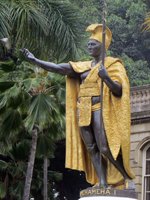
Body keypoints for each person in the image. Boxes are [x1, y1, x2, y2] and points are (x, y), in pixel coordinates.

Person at [22, 24, 134, 188]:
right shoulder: (83, 67)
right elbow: (59, 68)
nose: (89, 47)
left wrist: (106, 78)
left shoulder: (113, 65)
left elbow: (119, 91)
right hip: (83, 109)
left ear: (102, 46)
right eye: (88, 44)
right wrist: (35, 60)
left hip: (100, 109)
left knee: (104, 147)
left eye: (93, 44)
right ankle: (102, 182)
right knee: (91, 147)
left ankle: (124, 178)